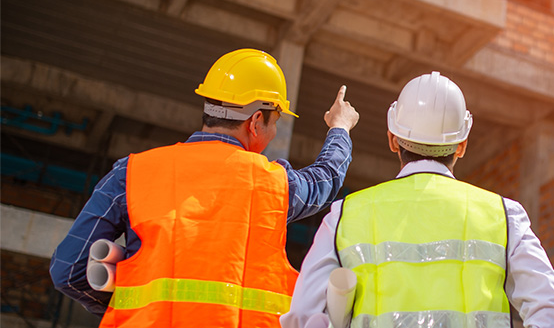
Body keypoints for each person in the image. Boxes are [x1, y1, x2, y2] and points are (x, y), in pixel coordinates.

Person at [49, 48, 360, 327]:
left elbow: (68, 269)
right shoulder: (274, 184)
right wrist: (340, 128)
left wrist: (130, 307)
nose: (274, 131)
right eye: (274, 121)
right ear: (255, 122)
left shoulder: (132, 172)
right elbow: (326, 178)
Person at [281, 71, 554, 328]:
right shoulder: (503, 216)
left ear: (393, 139)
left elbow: (303, 317)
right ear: (462, 146)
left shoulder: (345, 215)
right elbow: (552, 312)